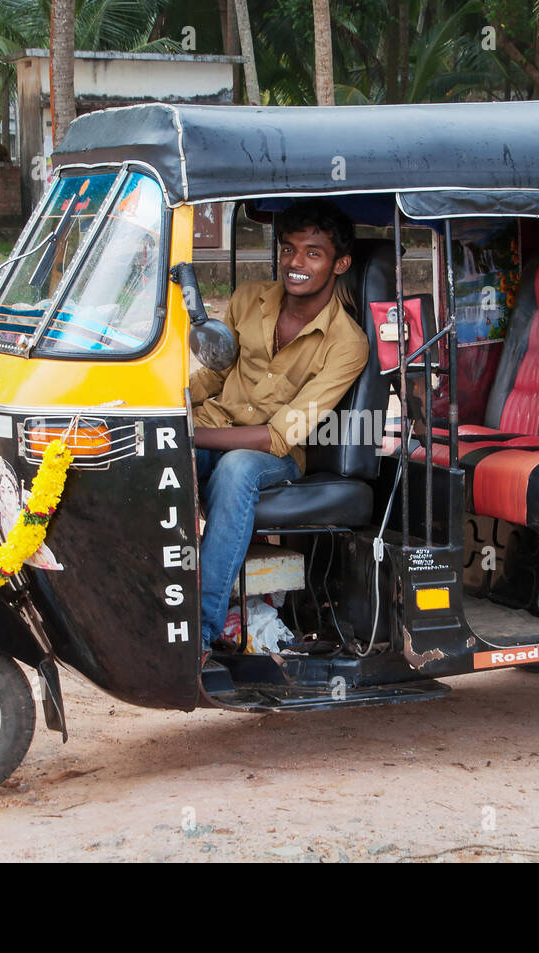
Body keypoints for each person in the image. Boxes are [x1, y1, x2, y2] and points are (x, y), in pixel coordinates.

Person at [188, 200, 369, 652]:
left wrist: (185, 435)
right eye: (289, 250)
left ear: (339, 263)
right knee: (141, 453)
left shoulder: (348, 343)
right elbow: (210, 376)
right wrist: (153, 408)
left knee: (236, 469)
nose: (296, 263)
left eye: (313, 252)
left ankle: (201, 634)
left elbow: (278, 436)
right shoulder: (248, 299)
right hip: (213, 427)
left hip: (273, 457)